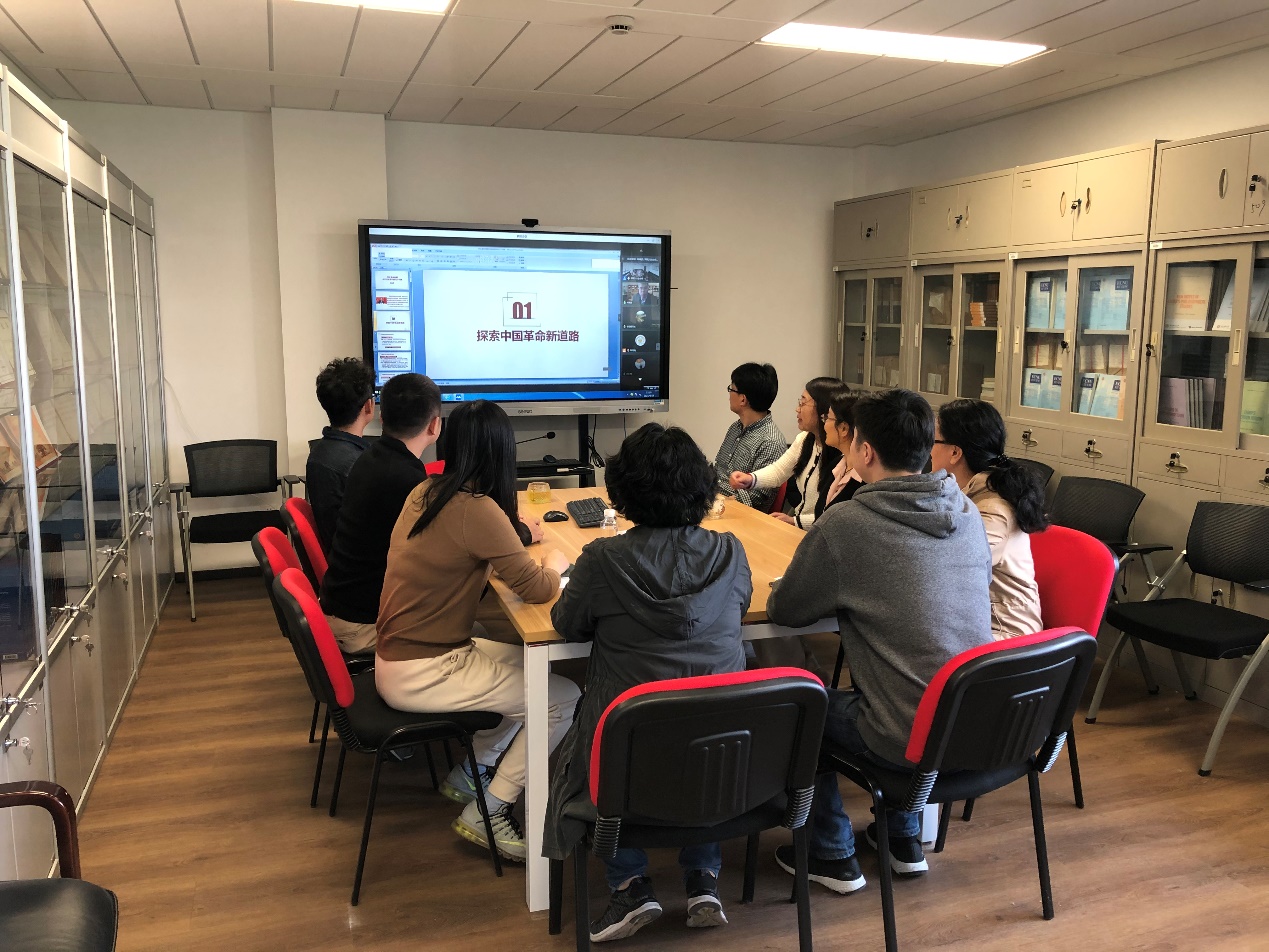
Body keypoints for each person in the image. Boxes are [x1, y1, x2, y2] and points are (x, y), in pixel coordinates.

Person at [766, 389, 992, 894]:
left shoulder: (848, 523)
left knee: (802, 708)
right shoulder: (964, 510)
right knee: (911, 677)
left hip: (907, 738)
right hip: (977, 727)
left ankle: (830, 852)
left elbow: (786, 610)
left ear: (864, 451)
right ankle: (903, 839)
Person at [543, 423, 752, 942]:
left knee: (598, 733)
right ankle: (703, 880)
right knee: (705, 714)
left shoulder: (602, 560)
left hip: (629, 756)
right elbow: (742, 606)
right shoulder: (731, 553)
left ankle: (630, 885)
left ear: (624, 490)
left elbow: (567, 624)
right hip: (725, 756)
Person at [376, 400, 578, 863]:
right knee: (562, 698)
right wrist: (556, 564)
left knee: (532, 668)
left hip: (405, 655)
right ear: (501, 451)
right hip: (426, 668)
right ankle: (491, 808)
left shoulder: (427, 491)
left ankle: (473, 770)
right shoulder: (475, 508)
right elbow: (536, 588)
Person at [319, 373, 453, 654]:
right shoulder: (406, 479)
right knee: (469, 626)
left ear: (381, 417)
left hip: (343, 607)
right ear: (435, 425)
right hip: (362, 625)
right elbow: (448, 553)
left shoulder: (371, 457)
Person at [932, 399, 1046, 640]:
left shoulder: (993, 510)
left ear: (955, 452)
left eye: (934, 442)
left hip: (1004, 631)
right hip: (972, 620)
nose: (928, 450)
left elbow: (951, 570)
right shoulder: (963, 493)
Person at [730, 377, 844, 530]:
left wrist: (795, 521)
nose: (797, 409)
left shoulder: (842, 454)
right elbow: (780, 471)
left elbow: (836, 516)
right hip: (800, 526)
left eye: (803, 403)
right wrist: (750, 479)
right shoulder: (805, 439)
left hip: (819, 532)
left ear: (824, 410)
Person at [306, 357, 374, 551]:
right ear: (369, 406)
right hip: (361, 560)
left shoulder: (319, 452)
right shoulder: (360, 465)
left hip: (340, 554)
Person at [714, 362, 786, 511]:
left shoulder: (770, 441)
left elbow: (754, 500)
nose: (729, 395)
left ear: (743, 399)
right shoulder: (735, 428)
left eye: (731, 389)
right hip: (717, 503)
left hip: (742, 515)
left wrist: (713, 487)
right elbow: (718, 470)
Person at [821, 389, 863, 510]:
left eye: (828, 418)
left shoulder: (864, 480)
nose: (824, 423)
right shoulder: (836, 465)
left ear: (844, 428)